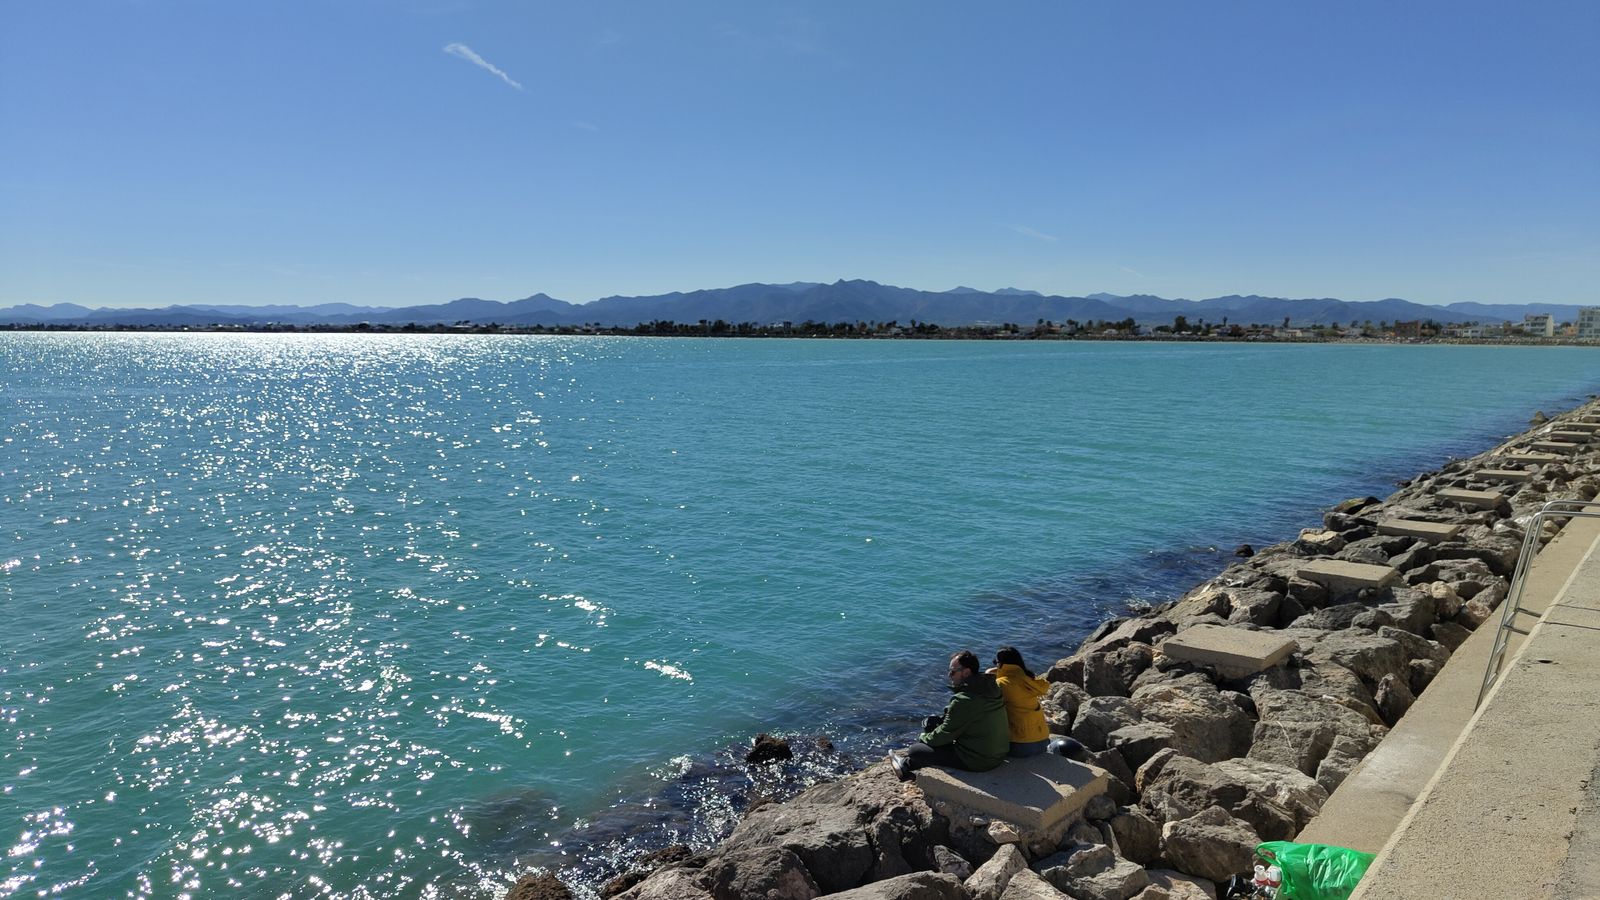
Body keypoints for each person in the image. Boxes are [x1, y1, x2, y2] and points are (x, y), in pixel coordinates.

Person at [888, 650, 1009, 780]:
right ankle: (907, 764)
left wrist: (924, 737)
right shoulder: (991, 688)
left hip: (979, 760)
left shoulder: (964, 700)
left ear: (966, 672)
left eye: (952, 671)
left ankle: (905, 766)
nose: (949, 675)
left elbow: (946, 733)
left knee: (916, 750)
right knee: (933, 722)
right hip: (998, 753)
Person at [989, 646, 1052, 757]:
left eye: (996, 662)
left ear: (1001, 664)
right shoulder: (1029, 680)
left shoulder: (1001, 684)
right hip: (1043, 741)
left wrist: (989, 674)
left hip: (1020, 745)